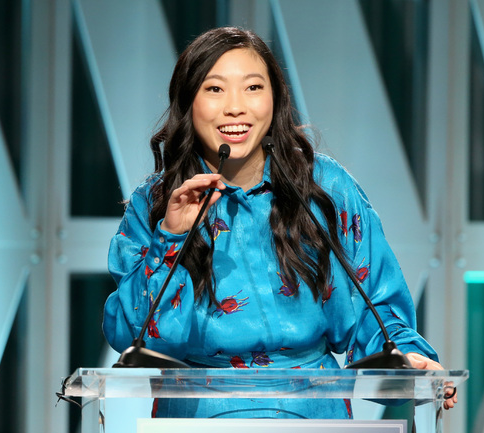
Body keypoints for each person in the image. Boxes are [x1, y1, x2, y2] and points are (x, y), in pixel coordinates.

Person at [103, 26, 457, 418]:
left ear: (275, 99)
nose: (235, 107)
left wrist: (409, 359)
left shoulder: (325, 188)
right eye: (215, 89)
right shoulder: (156, 202)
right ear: (189, 102)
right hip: (199, 413)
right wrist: (171, 236)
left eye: (253, 88)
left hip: (313, 412)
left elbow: (376, 311)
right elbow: (134, 340)